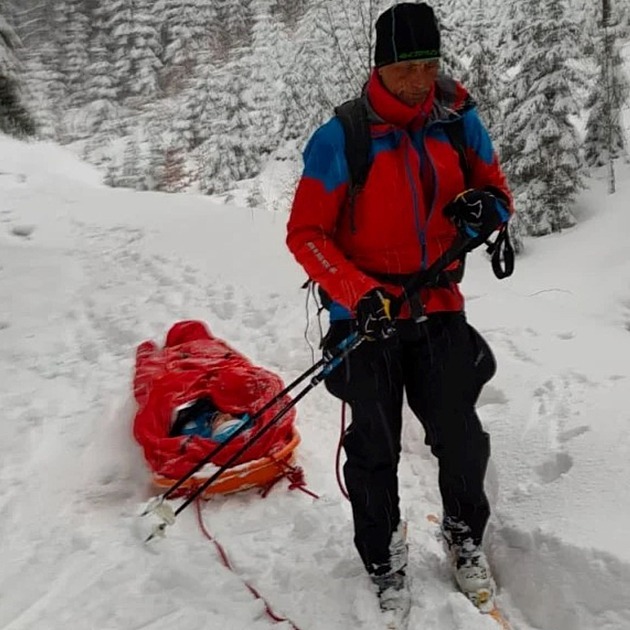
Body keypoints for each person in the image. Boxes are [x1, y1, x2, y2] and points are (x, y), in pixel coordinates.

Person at [286, 1, 513, 618]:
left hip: (437, 302)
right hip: (365, 317)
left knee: (461, 436)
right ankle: (382, 552)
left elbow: (498, 195)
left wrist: (484, 211)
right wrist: (359, 294)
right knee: (375, 445)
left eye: (427, 64)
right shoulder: (344, 137)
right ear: (379, 67)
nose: (418, 80)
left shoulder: (458, 120)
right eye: (404, 68)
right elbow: (306, 234)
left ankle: (464, 534)